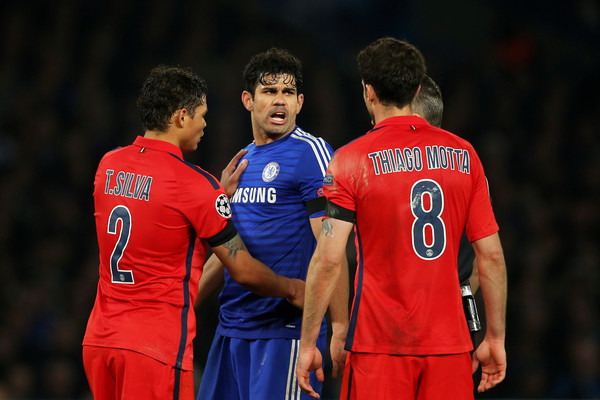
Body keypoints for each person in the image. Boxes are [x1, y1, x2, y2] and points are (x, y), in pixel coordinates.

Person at [296, 38, 507, 400]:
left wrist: (309, 343)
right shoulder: (465, 154)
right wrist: (495, 337)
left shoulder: (351, 160)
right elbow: (490, 256)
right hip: (450, 346)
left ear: (369, 92)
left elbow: (328, 259)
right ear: (418, 89)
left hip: (378, 346)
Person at [82, 65, 305, 400]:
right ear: (181, 117)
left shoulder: (108, 164)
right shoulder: (194, 184)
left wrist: (217, 197)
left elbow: (160, 225)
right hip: (154, 348)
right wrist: (292, 288)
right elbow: (243, 271)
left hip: (100, 341)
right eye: (201, 115)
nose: (205, 124)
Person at [196, 48, 348, 400]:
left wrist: (339, 325)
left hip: (285, 333)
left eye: (288, 92)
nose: (280, 100)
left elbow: (333, 245)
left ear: (300, 102)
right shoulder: (242, 161)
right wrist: (185, 307)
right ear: (248, 100)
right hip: (230, 330)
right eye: (269, 91)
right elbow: (228, 250)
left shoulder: (311, 153)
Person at [411, 75, 482, 337]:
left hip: (399, 326)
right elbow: (487, 258)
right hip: (454, 322)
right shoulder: (469, 162)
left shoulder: (383, 169)